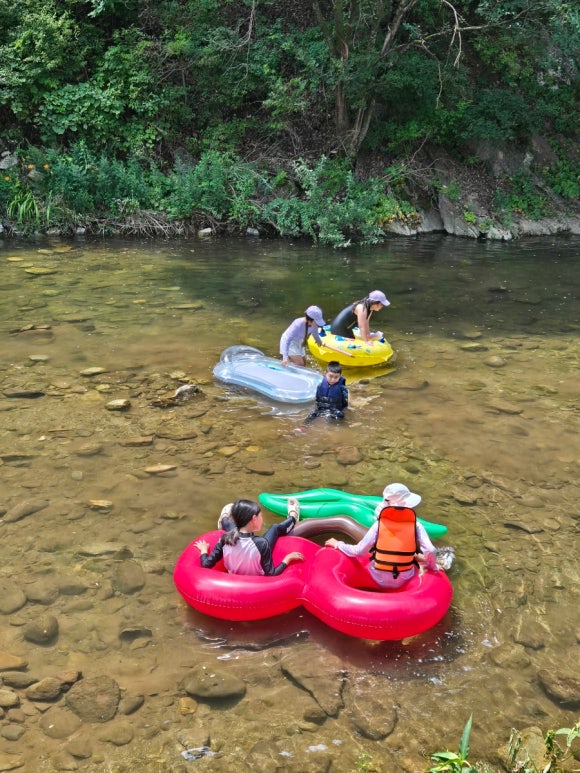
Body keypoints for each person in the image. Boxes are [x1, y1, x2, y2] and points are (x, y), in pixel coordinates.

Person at [325, 483, 439, 589]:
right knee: (414, 558)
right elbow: (430, 549)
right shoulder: (416, 526)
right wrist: (433, 567)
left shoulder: (379, 525)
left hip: (377, 577)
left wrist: (338, 544)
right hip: (404, 579)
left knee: (375, 553)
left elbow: (359, 551)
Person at [195, 498, 304, 576]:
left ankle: (224, 518)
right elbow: (271, 573)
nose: (262, 519)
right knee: (275, 527)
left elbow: (206, 564)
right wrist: (287, 559)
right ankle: (293, 517)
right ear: (254, 519)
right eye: (260, 516)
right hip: (255, 581)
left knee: (232, 528)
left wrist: (204, 550)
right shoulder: (261, 543)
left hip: (233, 574)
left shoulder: (224, 538)